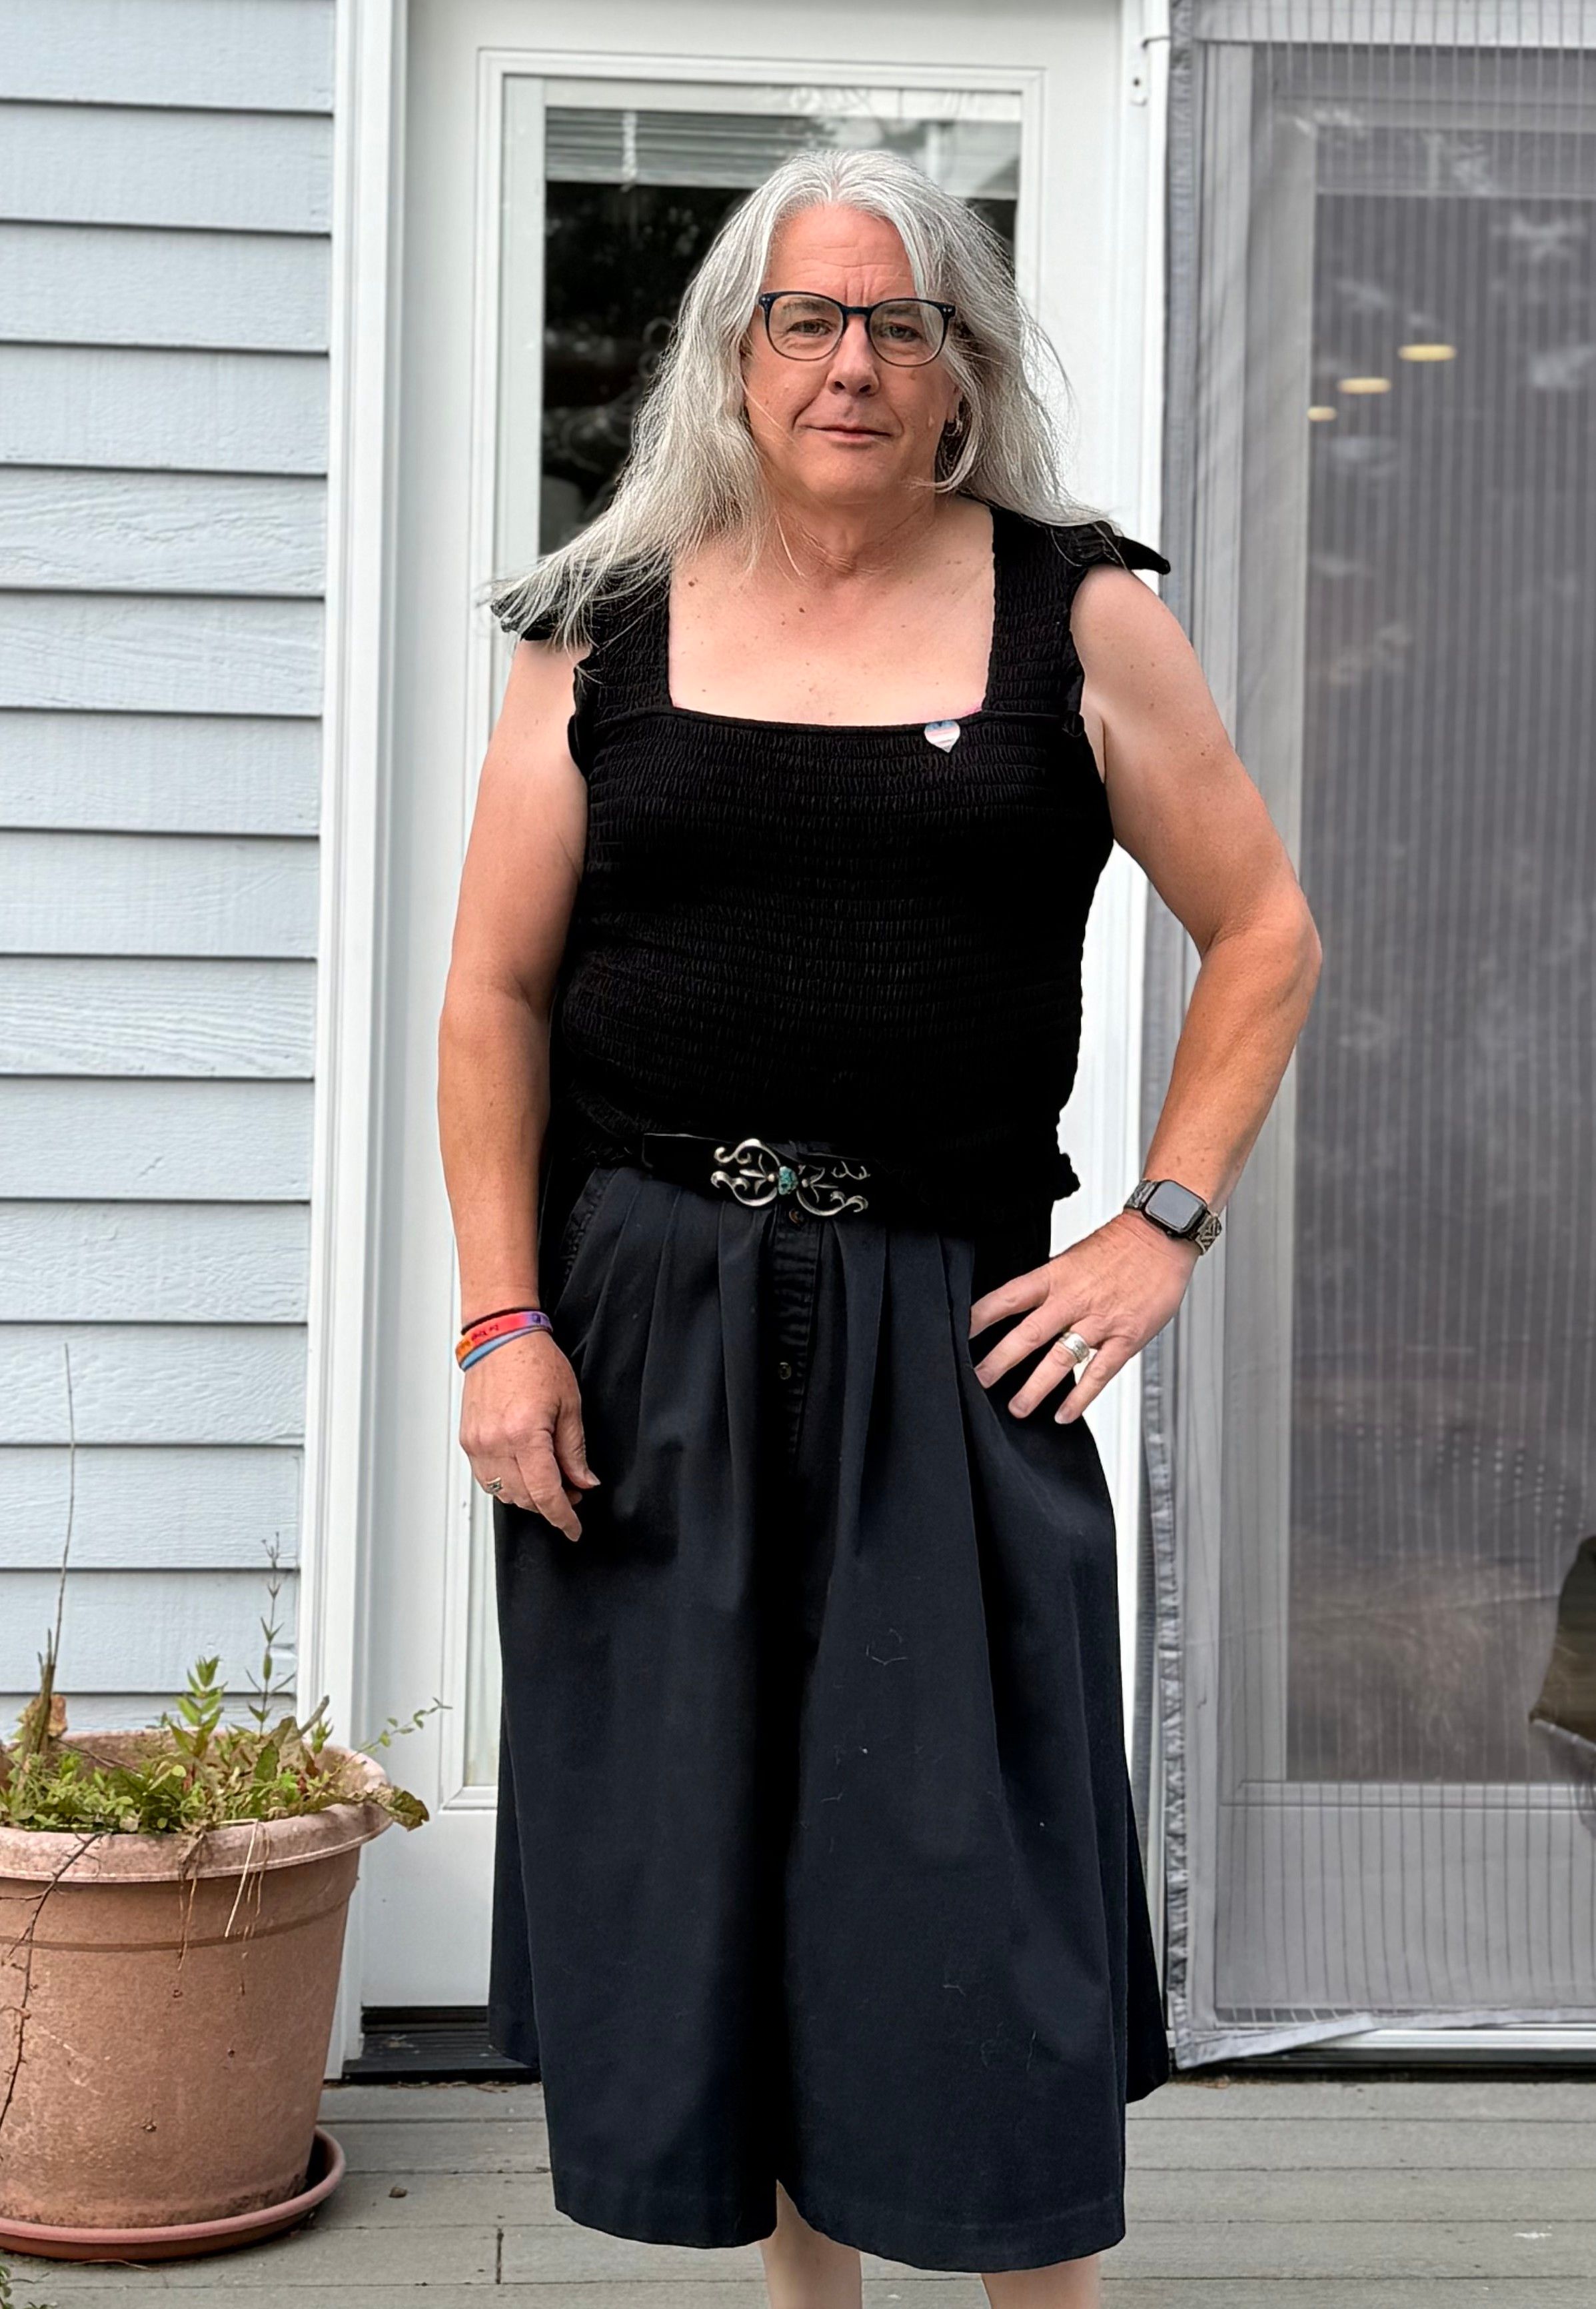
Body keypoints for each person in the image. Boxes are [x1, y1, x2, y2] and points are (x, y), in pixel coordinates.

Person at [437, 147, 1320, 2309]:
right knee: (720, 1866)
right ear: (732, 364)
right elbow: (493, 997)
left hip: (952, 1314)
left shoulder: (1079, 612)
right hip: (644, 1313)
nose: (851, 362)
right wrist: (497, 1327)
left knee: (970, 1873)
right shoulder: (601, 633)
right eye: (807, 320)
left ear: (961, 375)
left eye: (900, 323)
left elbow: (1265, 931)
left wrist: (1159, 1227)